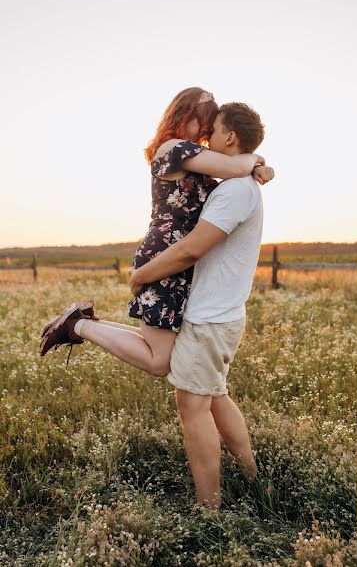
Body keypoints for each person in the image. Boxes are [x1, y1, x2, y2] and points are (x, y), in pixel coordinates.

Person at [39, 88, 272, 379]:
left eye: (209, 125)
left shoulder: (198, 156)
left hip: (181, 257)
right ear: (182, 115)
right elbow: (235, 166)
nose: (203, 131)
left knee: (163, 349)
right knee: (159, 361)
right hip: (165, 253)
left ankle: (80, 320)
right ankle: (77, 326)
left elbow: (235, 167)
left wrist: (256, 165)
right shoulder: (173, 148)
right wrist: (258, 160)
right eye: (201, 122)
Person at [129, 102, 269, 507]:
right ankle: (252, 477)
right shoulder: (234, 183)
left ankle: (210, 511)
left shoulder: (234, 190)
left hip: (209, 318)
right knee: (215, 397)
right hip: (219, 316)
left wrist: (141, 275)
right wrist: (258, 162)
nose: (206, 133)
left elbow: (190, 250)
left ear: (229, 138)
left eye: (215, 127)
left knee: (193, 408)